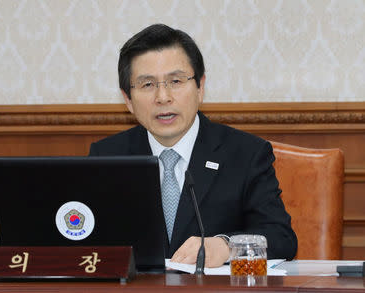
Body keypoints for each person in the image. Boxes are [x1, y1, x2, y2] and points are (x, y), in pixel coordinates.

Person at [89, 23, 297, 267]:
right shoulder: (107, 156)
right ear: (128, 100)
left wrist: (226, 246)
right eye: (147, 85)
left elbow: (281, 237)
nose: (163, 97)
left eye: (176, 81)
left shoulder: (246, 154)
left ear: (200, 87)